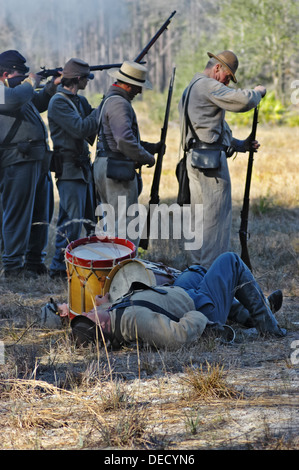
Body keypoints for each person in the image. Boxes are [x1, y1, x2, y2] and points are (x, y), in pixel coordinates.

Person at [59, 252, 285, 350]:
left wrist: (103, 305)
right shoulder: (136, 322)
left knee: (195, 271)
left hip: (181, 294)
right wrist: (198, 314)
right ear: (102, 325)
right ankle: (268, 325)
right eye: (89, 316)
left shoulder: (113, 316)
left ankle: (248, 313)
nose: (88, 311)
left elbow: (108, 312)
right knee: (231, 261)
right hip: (200, 307)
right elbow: (177, 337)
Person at [179, 50, 267, 269]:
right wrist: (258, 93)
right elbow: (243, 101)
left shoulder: (191, 87)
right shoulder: (207, 85)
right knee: (215, 222)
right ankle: (212, 276)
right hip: (211, 165)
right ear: (217, 68)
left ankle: (196, 272)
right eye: (228, 77)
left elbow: (211, 130)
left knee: (199, 220)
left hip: (197, 159)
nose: (227, 83)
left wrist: (240, 145)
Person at [0, 50, 58, 278]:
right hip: (16, 159)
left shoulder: (18, 91)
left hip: (36, 158)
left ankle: (34, 262)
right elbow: (15, 99)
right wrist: (32, 81)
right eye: (18, 74)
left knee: (41, 212)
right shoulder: (8, 93)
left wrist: (51, 86)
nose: (23, 78)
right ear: (5, 74)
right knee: (18, 214)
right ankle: (13, 266)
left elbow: (38, 102)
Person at [93, 61, 162, 248]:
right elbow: (123, 140)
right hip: (116, 168)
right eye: (138, 87)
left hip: (107, 164)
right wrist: (147, 157)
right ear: (128, 85)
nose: (139, 92)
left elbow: (117, 137)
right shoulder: (119, 103)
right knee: (125, 225)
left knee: (113, 222)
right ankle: (122, 269)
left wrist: (151, 147)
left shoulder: (109, 100)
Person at [48, 58, 100, 279]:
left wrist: (101, 109)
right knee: (72, 222)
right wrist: (103, 108)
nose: (88, 81)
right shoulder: (58, 102)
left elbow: (90, 134)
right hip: (69, 169)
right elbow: (80, 129)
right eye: (86, 78)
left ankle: (76, 263)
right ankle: (59, 267)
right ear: (78, 79)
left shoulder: (79, 100)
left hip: (82, 168)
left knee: (86, 219)